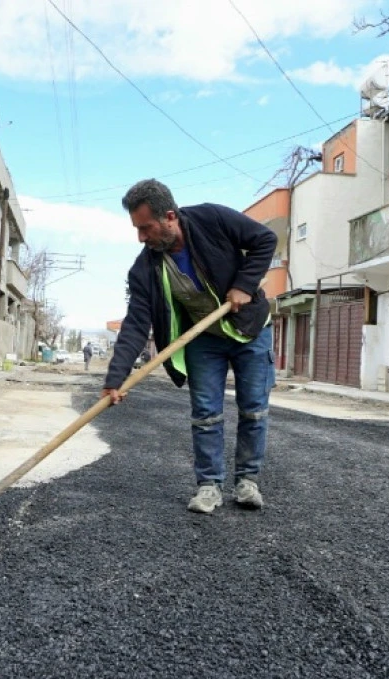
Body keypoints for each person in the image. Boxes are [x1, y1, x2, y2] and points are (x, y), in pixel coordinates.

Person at [101, 179, 276, 514]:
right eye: (136, 229)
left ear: (170, 216)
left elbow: (264, 240)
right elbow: (137, 323)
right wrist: (116, 378)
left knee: (253, 408)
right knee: (206, 414)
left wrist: (243, 285)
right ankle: (209, 485)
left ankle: (247, 481)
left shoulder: (213, 219)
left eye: (145, 228)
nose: (140, 237)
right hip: (202, 339)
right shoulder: (144, 269)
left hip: (249, 329)